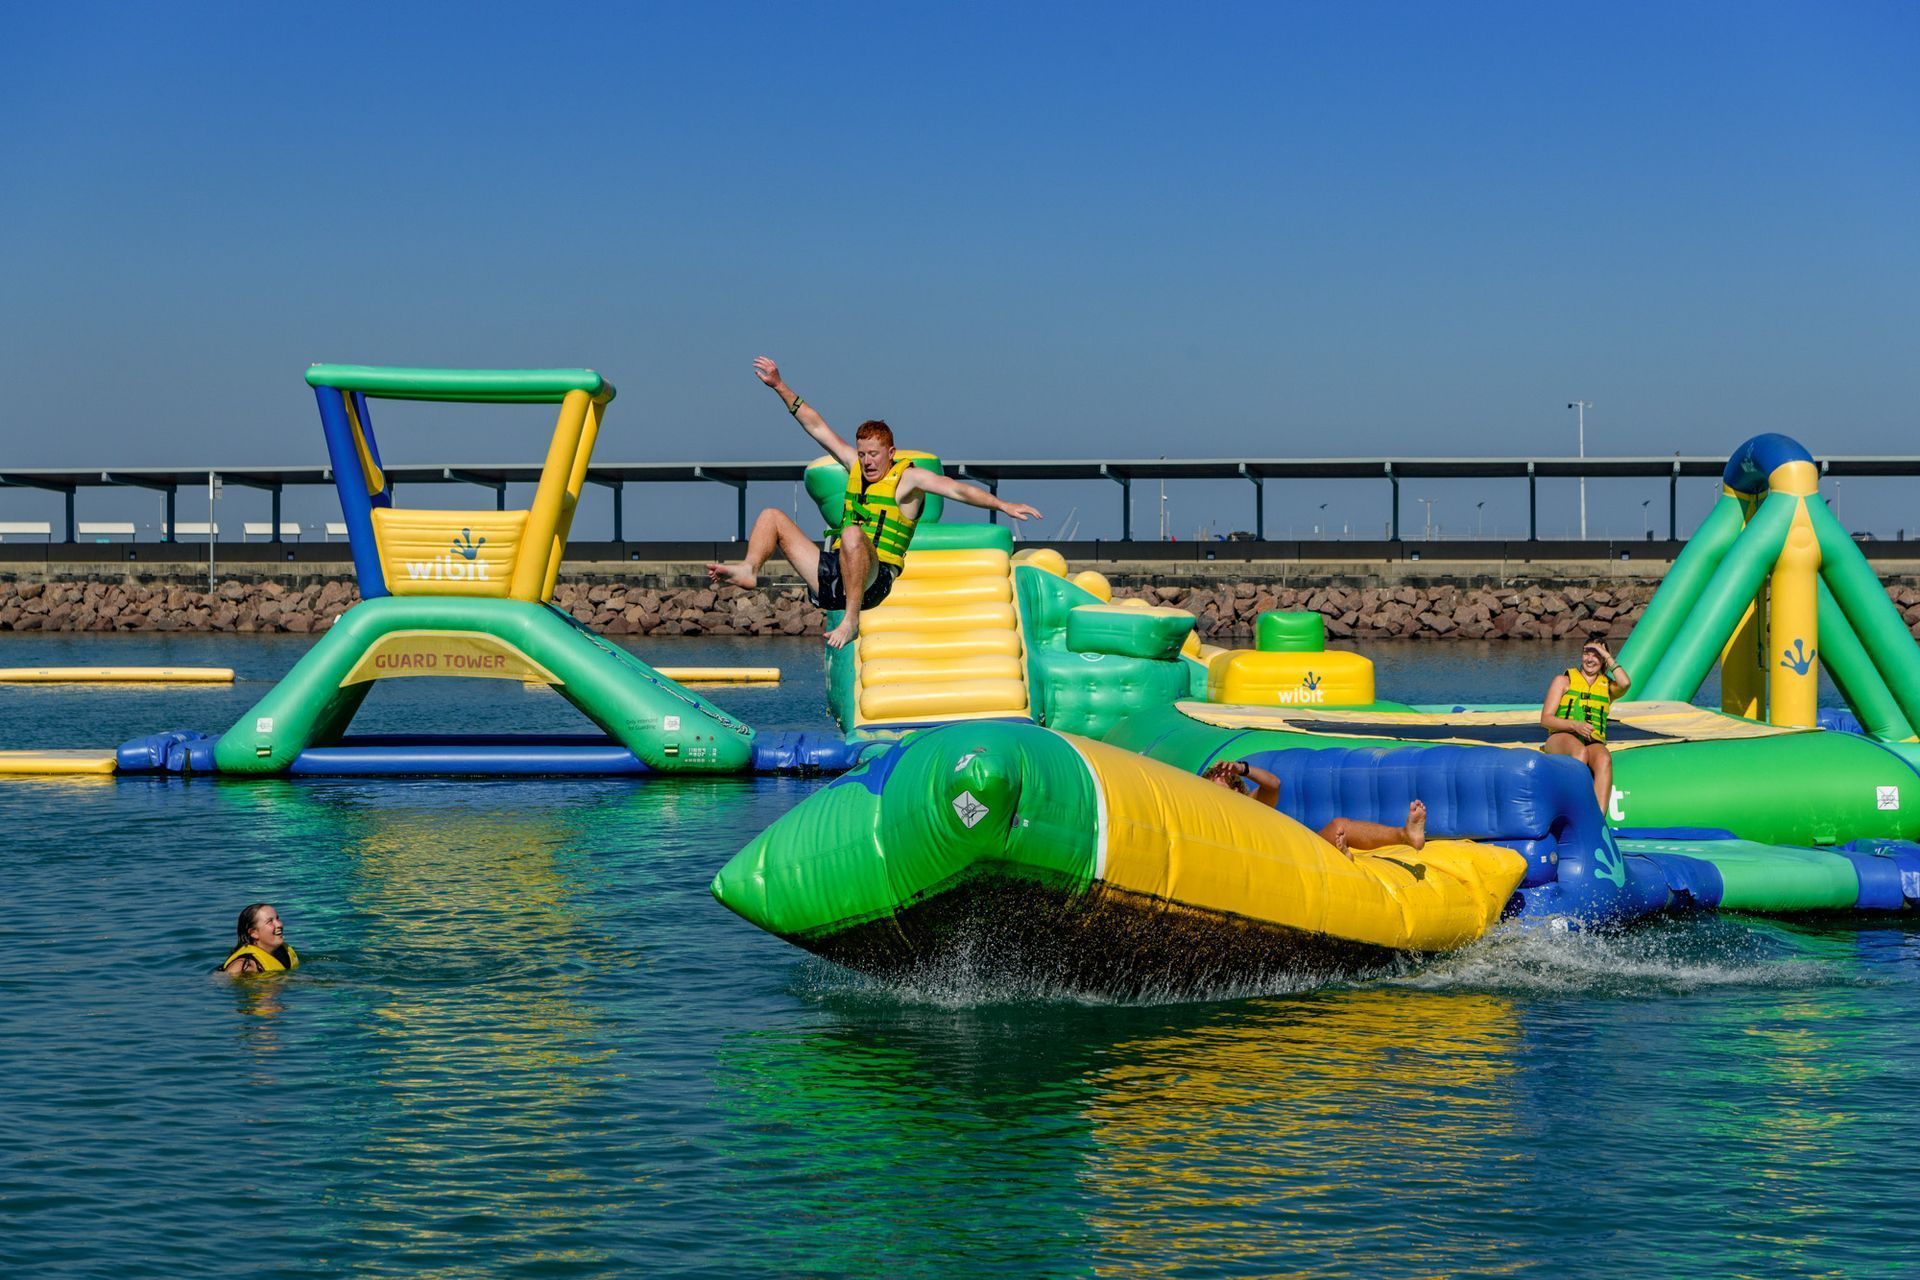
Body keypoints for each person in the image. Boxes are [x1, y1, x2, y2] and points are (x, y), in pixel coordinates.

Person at [707, 357, 1043, 649]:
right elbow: (815, 425)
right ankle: (750, 569)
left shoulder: (907, 479)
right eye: (863, 454)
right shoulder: (854, 465)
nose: (866, 462)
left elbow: (955, 489)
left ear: (891, 453)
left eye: (874, 454)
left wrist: (1002, 506)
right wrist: (779, 385)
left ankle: (850, 621)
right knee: (772, 517)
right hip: (834, 572)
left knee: (852, 534)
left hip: (873, 581)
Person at [1203, 758, 1427, 857]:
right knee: (1338, 830)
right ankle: (1343, 857)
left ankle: (1405, 835)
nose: (1219, 799)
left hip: (1296, 854)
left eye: (1223, 789)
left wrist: (1240, 768)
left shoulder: (1249, 807)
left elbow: (1273, 785)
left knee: (1339, 825)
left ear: (1237, 792)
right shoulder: (1201, 818)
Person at [1540, 638, 1632, 811]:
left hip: (1591, 741)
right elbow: (1546, 719)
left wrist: (1607, 656)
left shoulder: (1607, 687)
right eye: (1587, 653)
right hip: (1560, 738)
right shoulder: (1563, 681)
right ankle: (1570, 810)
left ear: (1604, 660)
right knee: (1579, 752)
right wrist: (1575, 725)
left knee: (1604, 758)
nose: (1590, 659)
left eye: (1596, 655)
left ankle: (1597, 821)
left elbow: (1625, 683)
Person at [219, 903, 299, 976]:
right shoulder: (243, 966)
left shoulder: (282, 951)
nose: (279, 924)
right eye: (270, 921)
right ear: (254, 933)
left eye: (277, 918)